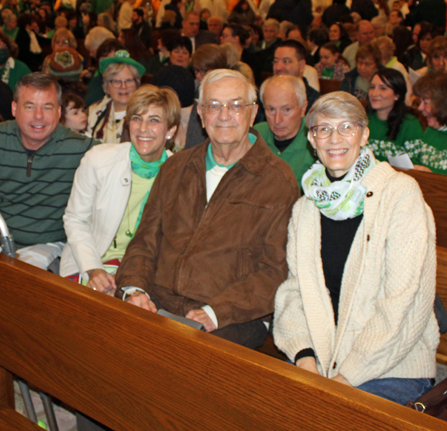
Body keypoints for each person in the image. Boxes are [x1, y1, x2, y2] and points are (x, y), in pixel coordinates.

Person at [273, 90, 439, 406]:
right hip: (322, 360)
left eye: (346, 127)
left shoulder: (400, 195)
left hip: (391, 367)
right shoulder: (306, 208)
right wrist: (304, 357)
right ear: (312, 138)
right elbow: (293, 294)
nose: (335, 138)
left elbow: (401, 304)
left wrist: (344, 377)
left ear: (363, 135)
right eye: (324, 129)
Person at [115, 69, 299, 349]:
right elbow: (144, 242)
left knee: (180, 363)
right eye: (213, 106)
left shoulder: (277, 180)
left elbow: (275, 271)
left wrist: (217, 311)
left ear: (252, 113)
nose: (224, 115)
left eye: (236, 105)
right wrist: (135, 289)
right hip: (160, 299)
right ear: (200, 113)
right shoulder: (176, 167)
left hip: (232, 315)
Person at [0, 73, 98, 270]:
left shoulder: (82, 149)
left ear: (59, 112)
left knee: (14, 285)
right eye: (29, 106)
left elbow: (124, 167)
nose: (38, 116)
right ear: (14, 108)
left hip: (47, 243)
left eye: (47, 107)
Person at [60, 85, 179, 290]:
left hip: (144, 270)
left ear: (170, 131)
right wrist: (94, 269)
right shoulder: (98, 159)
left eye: (154, 120)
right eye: (136, 118)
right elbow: (75, 219)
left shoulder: (180, 174)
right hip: (89, 262)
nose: (143, 128)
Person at [254, 75, 316, 188]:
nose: (277, 120)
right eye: (271, 109)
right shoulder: (255, 135)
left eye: (286, 109)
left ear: (303, 108)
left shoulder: (316, 142)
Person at [87, 50, 145, 144]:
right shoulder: (94, 113)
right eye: (117, 81)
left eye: (129, 81)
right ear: (106, 87)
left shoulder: (146, 114)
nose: (123, 86)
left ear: (137, 85)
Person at [366, 69, 423, 162]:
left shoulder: (410, 125)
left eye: (383, 88)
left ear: (397, 95)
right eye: (372, 87)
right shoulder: (363, 120)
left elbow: (415, 163)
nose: (374, 93)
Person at [412, 71, 447, 173]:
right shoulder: (430, 130)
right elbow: (418, 160)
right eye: (420, 102)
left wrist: (430, 176)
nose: (420, 108)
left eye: (426, 102)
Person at [273, 40, 321, 112]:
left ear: (301, 65)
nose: (278, 67)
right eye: (276, 61)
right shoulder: (266, 95)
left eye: (286, 61)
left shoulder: (315, 103)